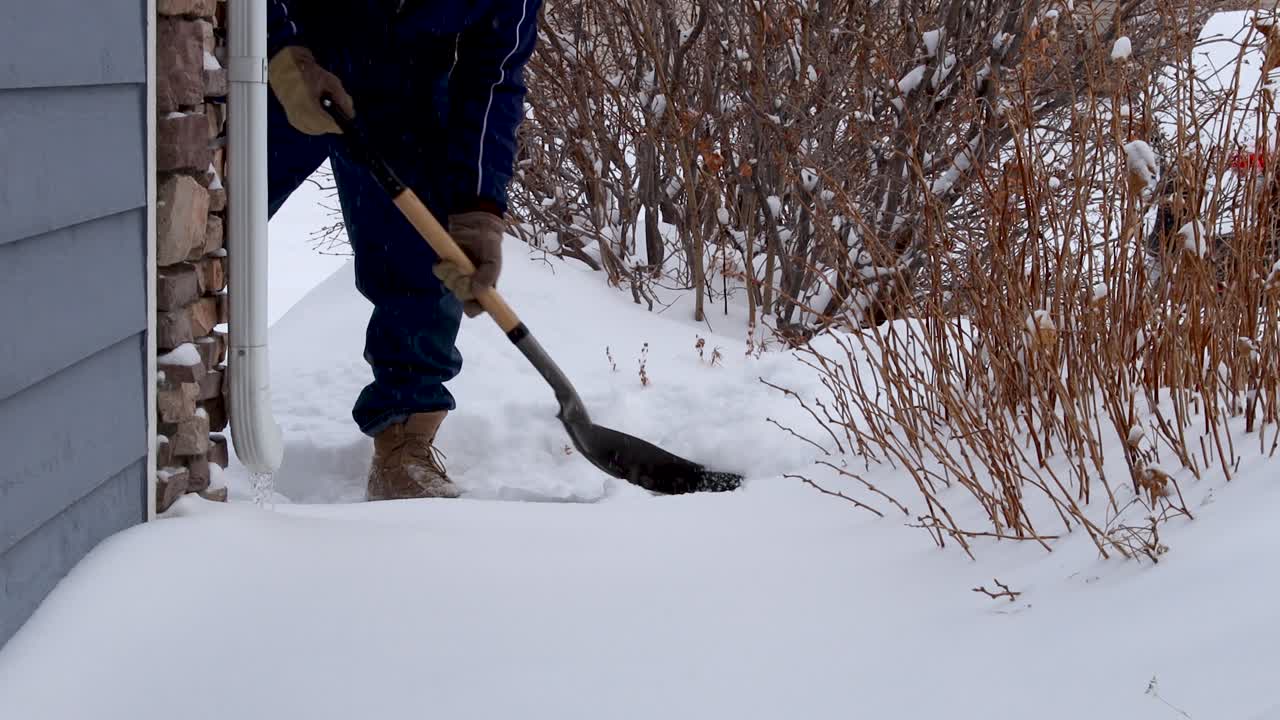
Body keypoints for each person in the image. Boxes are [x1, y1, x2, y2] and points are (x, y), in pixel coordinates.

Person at [265, 1, 543, 501]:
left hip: (406, 82)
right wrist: (279, 49)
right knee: (200, 219)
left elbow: (494, 74)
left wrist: (479, 207)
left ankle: (405, 441)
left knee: (423, 254)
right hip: (282, 59)